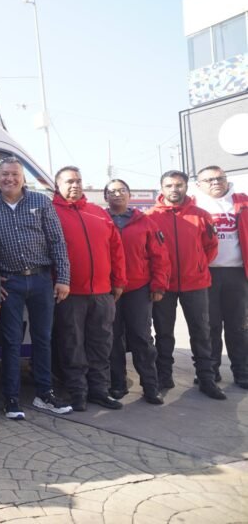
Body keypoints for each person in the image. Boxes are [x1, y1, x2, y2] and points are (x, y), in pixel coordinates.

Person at [0, 157, 73, 420]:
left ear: (22, 177)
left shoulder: (41, 202)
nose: (10, 179)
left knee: (43, 339)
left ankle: (44, 394)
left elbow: (57, 242)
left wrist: (63, 278)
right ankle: (11, 399)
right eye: (5, 174)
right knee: (11, 341)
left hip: (41, 280)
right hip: (11, 283)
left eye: (15, 174)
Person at [52, 167, 127, 412]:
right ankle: (77, 392)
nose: (75, 185)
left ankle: (99, 391)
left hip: (102, 293)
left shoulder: (98, 213)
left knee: (101, 344)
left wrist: (118, 281)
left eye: (78, 180)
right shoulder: (50, 212)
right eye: (69, 181)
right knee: (73, 345)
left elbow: (116, 248)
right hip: (70, 294)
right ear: (58, 185)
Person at [146, 170, 225, 400]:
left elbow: (211, 246)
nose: (174, 189)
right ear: (162, 188)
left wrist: (198, 266)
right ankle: (164, 376)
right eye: (169, 185)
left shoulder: (201, 215)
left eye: (178, 185)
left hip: (196, 283)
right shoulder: (150, 217)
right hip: (164, 286)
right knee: (163, 333)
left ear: (186, 187)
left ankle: (206, 378)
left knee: (201, 332)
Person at [103, 179, 169, 405]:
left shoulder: (145, 222)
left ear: (129, 195)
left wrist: (159, 285)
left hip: (138, 288)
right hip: (108, 289)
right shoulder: (100, 220)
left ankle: (150, 386)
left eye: (122, 190)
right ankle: (118, 384)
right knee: (112, 338)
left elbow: (159, 256)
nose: (117, 195)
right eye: (111, 191)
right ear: (105, 197)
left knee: (141, 337)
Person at [192, 165, 248, 389]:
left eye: (219, 178)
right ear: (198, 184)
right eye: (209, 180)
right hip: (207, 275)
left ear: (227, 180)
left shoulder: (242, 202)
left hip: (237, 273)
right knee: (209, 326)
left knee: (239, 326)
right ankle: (210, 370)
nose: (215, 183)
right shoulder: (194, 205)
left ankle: (242, 371)